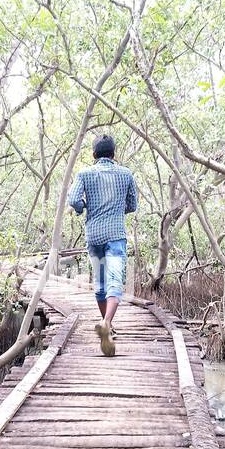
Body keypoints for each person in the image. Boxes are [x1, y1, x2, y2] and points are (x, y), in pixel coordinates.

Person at [67, 133, 138, 357]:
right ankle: (107, 322)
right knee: (115, 280)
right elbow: (132, 204)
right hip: (116, 234)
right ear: (114, 154)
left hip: (94, 235)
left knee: (99, 281)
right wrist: (117, 210)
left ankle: (106, 323)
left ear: (93, 154)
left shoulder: (85, 173)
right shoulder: (125, 174)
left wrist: (82, 208)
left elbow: (73, 200)